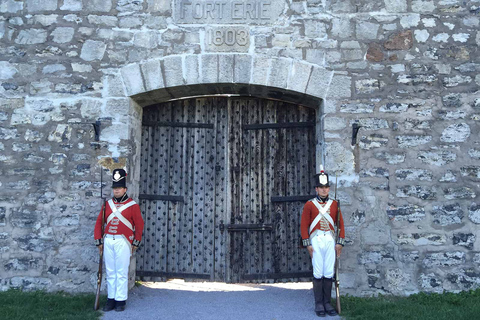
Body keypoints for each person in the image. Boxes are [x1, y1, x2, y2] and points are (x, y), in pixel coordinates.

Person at [94, 168, 145, 312]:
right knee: (110, 271)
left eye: (119, 188)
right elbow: (99, 223)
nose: (116, 191)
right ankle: (111, 299)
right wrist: (99, 239)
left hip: (124, 241)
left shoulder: (132, 205)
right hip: (109, 240)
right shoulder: (107, 205)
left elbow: (139, 224)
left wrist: (136, 240)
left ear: (125, 189)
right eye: (115, 188)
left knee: (121, 272)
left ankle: (120, 300)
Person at [300, 166, 345, 317]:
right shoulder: (310, 205)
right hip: (317, 240)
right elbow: (304, 225)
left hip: (331, 240)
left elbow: (340, 225)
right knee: (318, 272)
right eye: (321, 187)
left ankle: (327, 302)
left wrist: (340, 242)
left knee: (328, 272)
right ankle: (318, 303)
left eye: (326, 187)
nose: (324, 190)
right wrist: (307, 244)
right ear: (316, 189)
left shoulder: (335, 204)